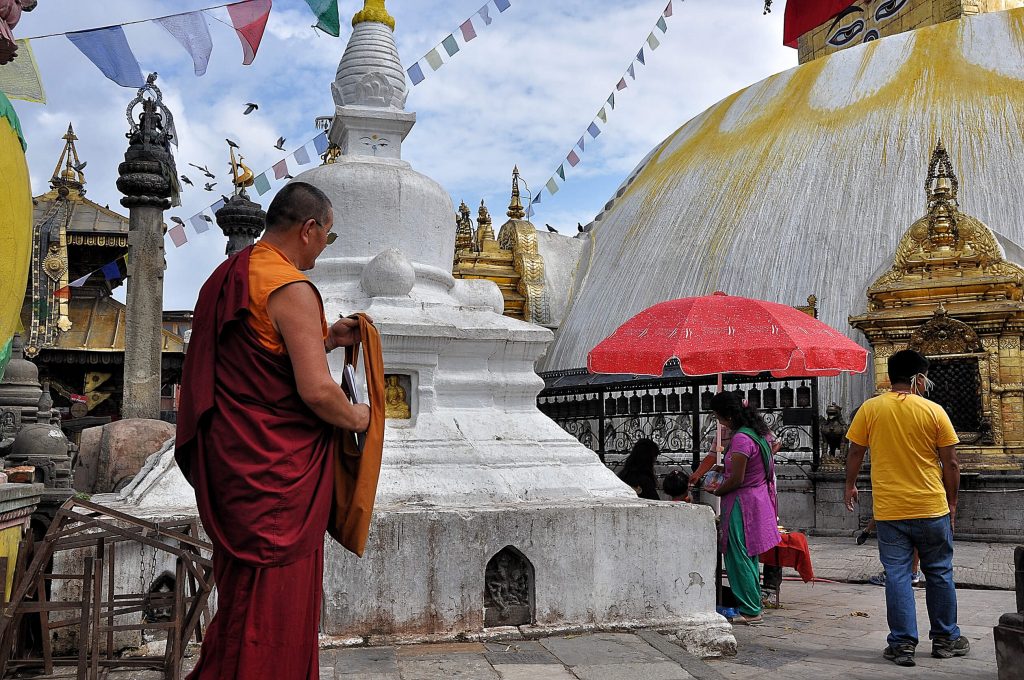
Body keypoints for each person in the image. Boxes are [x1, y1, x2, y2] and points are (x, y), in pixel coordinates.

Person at [175, 182, 372, 680]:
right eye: (327, 238)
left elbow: (262, 353)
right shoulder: (293, 287)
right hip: (278, 482)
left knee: (242, 603)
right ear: (309, 229)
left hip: (235, 467)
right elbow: (316, 393)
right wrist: (363, 419)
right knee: (273, 613)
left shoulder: (228, 276)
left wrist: (325, 338)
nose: (324, 249)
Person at [845, 349, 967, 668]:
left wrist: (850, 484)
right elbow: (951, 463)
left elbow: (855, 452)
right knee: (939, 572)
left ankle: (902, 645)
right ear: (919, 377)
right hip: (931, 506)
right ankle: (945, 639)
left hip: (890, 511)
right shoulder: (934, 411)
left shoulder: (871, 409)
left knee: (898, 576)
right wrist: (952, 503)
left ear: (890, 376)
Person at [708, 392, 781, 625]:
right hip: (756, 499)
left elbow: (737, 479)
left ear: (728, 415)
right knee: (748, 555)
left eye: (718, 417)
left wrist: (717, 490)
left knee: (738, 554)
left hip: (742, 503)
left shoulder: (740, 439)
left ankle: (750, 609)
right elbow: (750, 467)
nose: (719, 422)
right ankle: (753, 604)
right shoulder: (760, 434)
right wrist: (723, 471)